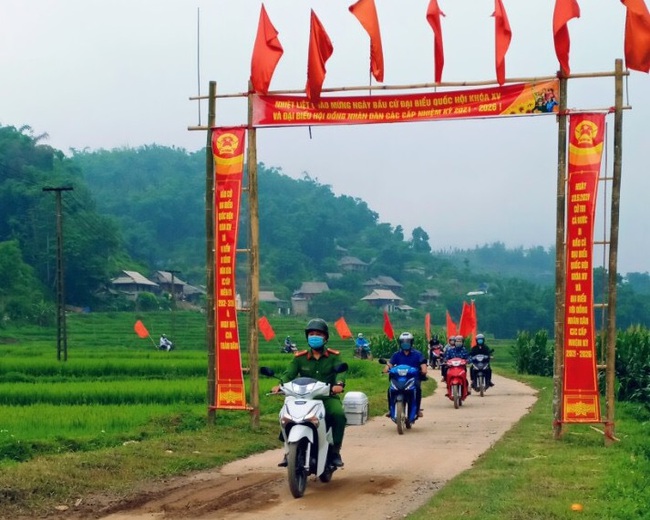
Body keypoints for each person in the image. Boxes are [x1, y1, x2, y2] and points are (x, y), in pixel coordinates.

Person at [273, 318, 347, 468]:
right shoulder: (300, 358)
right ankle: (289, 451)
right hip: (303, 397)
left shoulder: (334, 356)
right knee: (286, 415)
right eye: (311, 334)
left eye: (318, 334)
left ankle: (335, 451)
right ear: (307, 337)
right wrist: (280, 385)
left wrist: (339, 384)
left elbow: (341, 372)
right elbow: (289, 374)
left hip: (326, 397)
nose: (315, 337)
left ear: (325, 337)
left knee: (339, 414)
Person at [384, 331, 428, 418]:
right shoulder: (396, 355)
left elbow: (423, 364)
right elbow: (390, 364)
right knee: (390, 390)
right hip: (399, 379)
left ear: (411, 342)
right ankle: (390, 409)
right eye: (403, 342)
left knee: (418, 390)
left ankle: (417, 409)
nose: (405, 344)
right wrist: (386, 369)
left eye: (407, 341)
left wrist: (423, 370)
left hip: (412, 379)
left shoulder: (417, 354)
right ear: (400, 343)